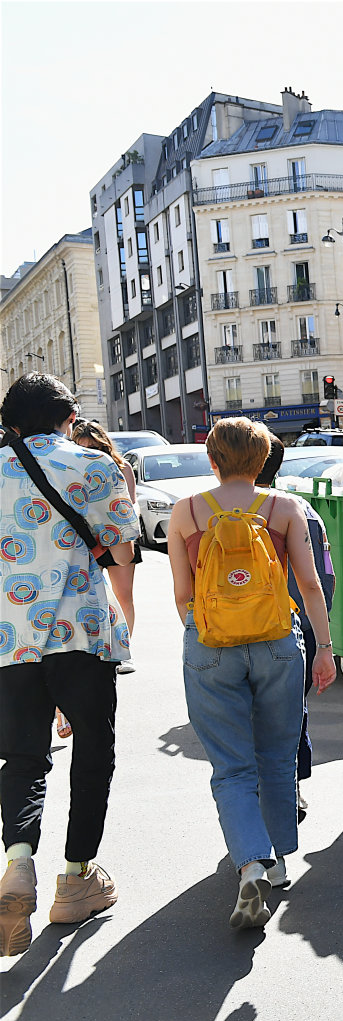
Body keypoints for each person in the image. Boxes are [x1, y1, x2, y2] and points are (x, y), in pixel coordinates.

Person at [166, 418, 336, 930]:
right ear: (263, 461)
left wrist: (205, 632)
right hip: (278, 641)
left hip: (210, 643)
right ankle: (279, 862)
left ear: (211, 460)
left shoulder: (185, 512)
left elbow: (180, 594)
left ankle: (249, 862)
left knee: (232, 766)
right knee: (277, 756)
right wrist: (325, 648)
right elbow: (308, 585)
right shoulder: (284, 509)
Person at [0, 374, 137, 956]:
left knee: (24, 755)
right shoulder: (93, 466)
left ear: (9, 426)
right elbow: (122, 547)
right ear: (68, 417)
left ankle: (17, 861)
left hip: (9, 639)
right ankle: (76, 877)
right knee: (92, 750)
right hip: (81, 631)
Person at [254, 436, 335, 823]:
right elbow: (321, 581)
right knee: (290, 715)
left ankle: (253, 795)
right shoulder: (299, 510)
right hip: (291, 636)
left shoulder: (207, 509)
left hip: (227, 638)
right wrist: (322, 643)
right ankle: (291, 788)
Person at [70, 420, 139, 675]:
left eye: (95, 447)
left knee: (124, 596)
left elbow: (129, 503)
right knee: (92, 596)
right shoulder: (71, 469)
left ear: (105, 445)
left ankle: (125, 651)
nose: (91, 452)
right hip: (88, 540)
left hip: (119, 535)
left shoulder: (121, 467)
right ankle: (98, 649)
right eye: (83, 447)